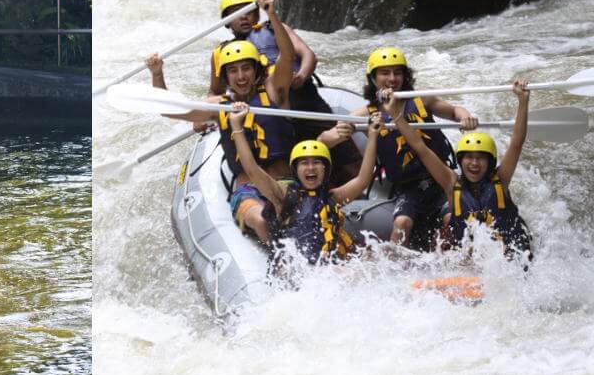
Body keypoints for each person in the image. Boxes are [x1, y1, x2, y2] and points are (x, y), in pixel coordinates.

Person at [165, 0, 295, 242]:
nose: (241, 76)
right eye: (233, 70)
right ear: (225, 77)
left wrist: (272, 15)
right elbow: (173, 109)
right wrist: (158, 74)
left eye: (246, 67)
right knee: (261, 219)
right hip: (248, 190)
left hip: (285, 181)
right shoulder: (220, 106)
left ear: (257, 70)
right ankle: (278, 262)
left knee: (289, 212)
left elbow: (287, 57)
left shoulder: (274, 93)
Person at [327, 46, 479, 249]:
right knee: (401, 223)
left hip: (441, 179)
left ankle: (452, 264)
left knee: (451, 218)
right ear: (373, 78)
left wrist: (465, 117)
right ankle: (395, 268)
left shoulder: (422, 99)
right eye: (385, 73)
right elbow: (326, 139)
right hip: (407, 186)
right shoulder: (365, 115)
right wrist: (339, 133)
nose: (392, 78)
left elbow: (454, 111)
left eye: (397, 72)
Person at [213, 0, 363, 186]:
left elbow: (307, 55)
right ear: (227, 21)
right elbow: (215, 92)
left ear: (257, 12)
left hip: (304, 102)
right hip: (272, 114)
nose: (243, 17)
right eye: (236, 13)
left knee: (348, 162)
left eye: (247, 10)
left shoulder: (276, 29)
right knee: (296, 164)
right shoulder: (224, 52)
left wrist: (301, 75)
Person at [382, 82, 533, 260]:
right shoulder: (451, 183)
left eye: (480, 158)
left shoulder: (501, 178)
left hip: (509, 254)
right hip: (472, 260)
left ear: (490, 162)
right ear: (461, 160)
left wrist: (523, 101)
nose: (474, 163)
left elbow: (516, 143)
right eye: (469, 157)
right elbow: (420, 147)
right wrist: (395, 115)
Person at [228, 101, 385, 264]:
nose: (311, 168)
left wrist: (373, 136)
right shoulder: (283, 196)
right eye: (304, 163)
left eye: (317, 162)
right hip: (296, 272)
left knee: (373, 255)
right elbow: (252, 169)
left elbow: (363, 179)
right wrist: (236, 126)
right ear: (295, 170)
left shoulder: (333, 198)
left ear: (326, 169)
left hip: (325, 270)